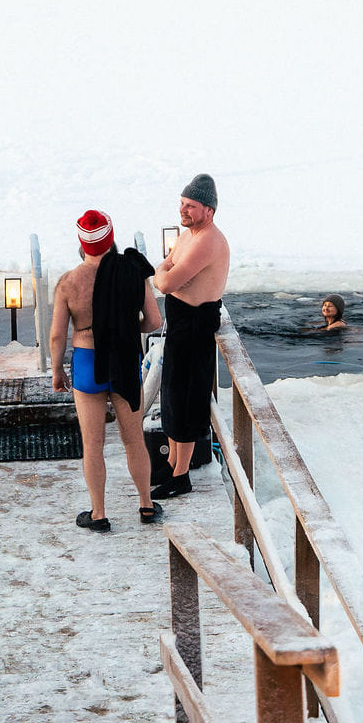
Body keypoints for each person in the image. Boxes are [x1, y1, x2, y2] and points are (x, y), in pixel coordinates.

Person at [51, 209, 163, 530]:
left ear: (81, 243)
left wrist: (58, 370)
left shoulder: (68, 283)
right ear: (111, 239)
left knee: (93, 444)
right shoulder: (132, 273)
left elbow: (58, 335)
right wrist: (128, 326)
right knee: (133, 439)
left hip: (87, 363)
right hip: (125, 359)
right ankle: (146, 505)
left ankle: (99, 514)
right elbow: (155, 321)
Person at [149, 173, 231, 499]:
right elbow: (163, 269)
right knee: (170, 397)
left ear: (208, 210)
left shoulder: (207, 241)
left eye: (191, 206)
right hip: (181, 324)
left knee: (183, 400)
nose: (183, 210)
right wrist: (164, 273)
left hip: (195, 326)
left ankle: (181, 476)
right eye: (182, 204)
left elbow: (165, 281)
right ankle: (174, 470)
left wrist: (164, 275)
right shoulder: (188, 235)